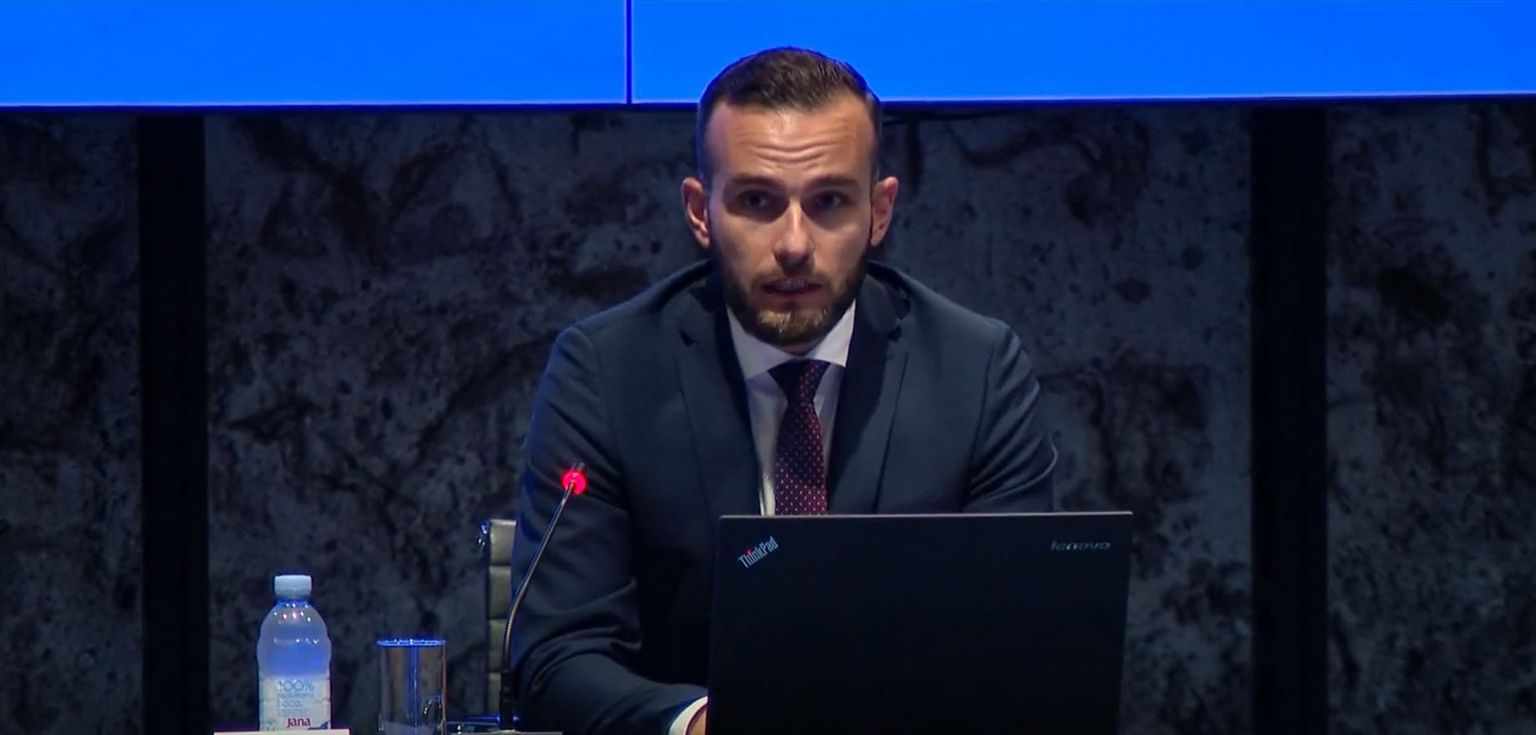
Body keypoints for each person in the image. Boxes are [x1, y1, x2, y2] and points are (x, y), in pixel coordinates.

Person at [507, 47, 1057, 735]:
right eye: (757, 202)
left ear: (879, 211)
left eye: (829, 202)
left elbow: (1019, 648)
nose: (794, 243)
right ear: (701, 211)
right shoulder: (607, 373)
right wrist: (705, 726)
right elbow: (557, 657)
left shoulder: (976, 372)